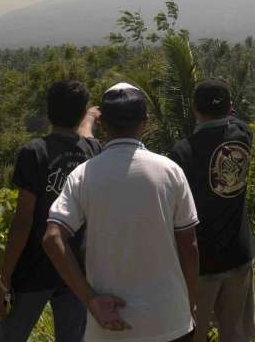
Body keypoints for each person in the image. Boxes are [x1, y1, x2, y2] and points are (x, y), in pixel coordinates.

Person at [43, 83, 200, 342]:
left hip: (109, 327)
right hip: (168, 321)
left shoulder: (83, 175)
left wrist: (90, 299)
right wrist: (189, 304)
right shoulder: (170, 172)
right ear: (145, 122)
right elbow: (189, 247)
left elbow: (52, 238)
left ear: (102, 124)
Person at [0, 80, 101, 342]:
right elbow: (86, 137)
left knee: (11, 335)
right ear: (80, 112)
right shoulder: (93, 152)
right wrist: (88, 118)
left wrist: (5, 277)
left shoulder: (35, 152)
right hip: (75, 270)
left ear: (49, 111)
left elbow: (23, 220)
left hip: (33, 268)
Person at [168, 79, 255, 342]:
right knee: (236, 333)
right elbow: (235, 119)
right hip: (239, 254)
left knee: (194, 334)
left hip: (200, 264)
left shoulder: (182, 153)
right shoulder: (244, 135)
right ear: (230, 107)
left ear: (194, 108)